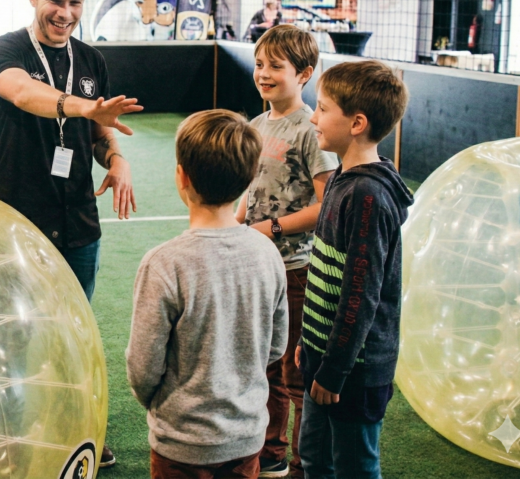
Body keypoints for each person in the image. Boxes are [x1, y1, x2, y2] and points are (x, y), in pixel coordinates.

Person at [0, 0, 142, 467]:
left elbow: (97, 133)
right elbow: (23, 93)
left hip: (78, 222)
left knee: (74, 332)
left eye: (75, 2)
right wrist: (82, 106)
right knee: (15, 332)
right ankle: (13, 428)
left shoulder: (91, 60)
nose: (65, 12)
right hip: (17, 219)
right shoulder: (3, 49)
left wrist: (116, 159)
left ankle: (80, 428)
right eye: (55, 0)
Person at [126, 109, 288, 479]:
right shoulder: (269, 254)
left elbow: (142, 366)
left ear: (181, 176)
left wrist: (163, 405)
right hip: (247, 438)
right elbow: (275, 348)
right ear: (250, 179)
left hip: (181, 444)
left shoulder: (164, 263)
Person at [296, 60, 412, 479]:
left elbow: (360, 295)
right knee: (315, 457)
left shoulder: (367, 196)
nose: (314, 116)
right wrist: (310, 347)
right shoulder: (344, 177)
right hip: (323, 358)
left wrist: (334, 367)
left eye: (323, 108)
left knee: (354, 466)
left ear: (357, 122)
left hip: (352, 373)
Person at [235, 25, 338, 479]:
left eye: (276, 66)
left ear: (305, 74)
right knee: (266, 363)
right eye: (260, 64)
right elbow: (250, 189)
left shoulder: (311, 129)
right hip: (260, 266)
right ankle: (272, 450)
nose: (263, 73)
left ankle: (301, 460)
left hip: (297, 269)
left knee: (296, 370)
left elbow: (325, 205)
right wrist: (234, 226)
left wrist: (271, 228)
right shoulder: (258, 125)